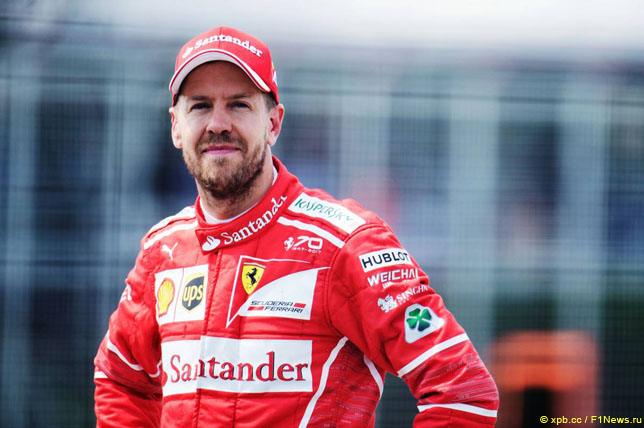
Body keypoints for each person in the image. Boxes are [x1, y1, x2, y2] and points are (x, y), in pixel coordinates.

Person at [94, 26, 499, 427]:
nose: (218, 123)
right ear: (176, 127)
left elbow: (463, 391)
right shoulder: (163, 250)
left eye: (239, 105)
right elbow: (121, 381)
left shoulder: (345, 244)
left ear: (273, 123)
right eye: (200, 106)